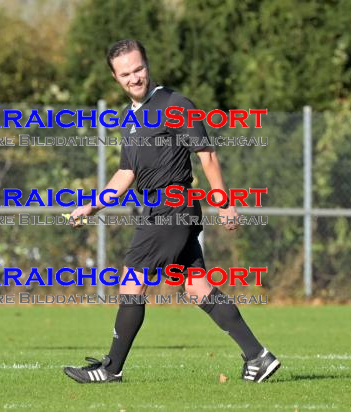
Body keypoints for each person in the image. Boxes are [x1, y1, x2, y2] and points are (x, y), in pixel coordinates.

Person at [63, 39, 280, 384]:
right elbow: (126, 173)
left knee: (131, 284)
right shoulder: (131, 118)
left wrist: (224, 203)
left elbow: (206, 154)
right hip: (157, 208)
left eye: (138, 69)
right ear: (115, 78)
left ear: (148, 66)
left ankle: (111, 369)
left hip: (171, 206)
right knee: (196, 286)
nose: (134, 78)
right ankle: (258, 356)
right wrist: (93, 204)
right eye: (125, 74)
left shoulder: (175, 104)